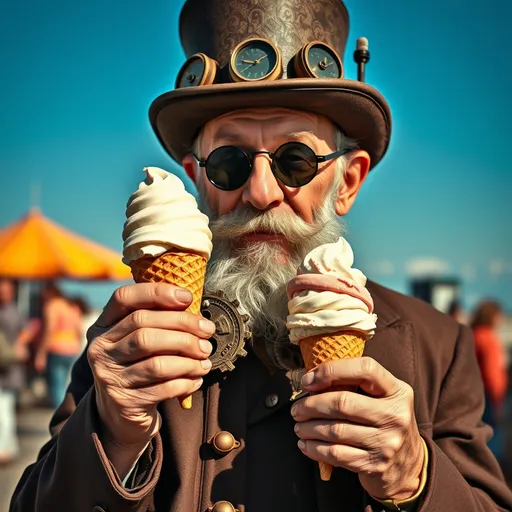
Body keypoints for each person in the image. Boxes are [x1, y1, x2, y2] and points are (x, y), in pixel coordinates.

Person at [11, 0, 512, 510]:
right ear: (196, 178)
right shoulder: (130, 339)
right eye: (230, 162)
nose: (260, 192)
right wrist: (110, 432)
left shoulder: (435, 347)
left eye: (296, 161)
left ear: (349, 182)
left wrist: (415, 478)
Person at [34, 284, 83, 409]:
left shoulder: (52, 306)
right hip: (72, 348)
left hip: (56, 348)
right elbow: (80, 330)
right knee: (68, 385)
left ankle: (61, 418)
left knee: (57, 385)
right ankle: (70, 415)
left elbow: (49, 329)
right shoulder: (71, 306)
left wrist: (41, 354)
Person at [470, 299, 508, 456]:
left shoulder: (472, 335)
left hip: (474, 394)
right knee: (493, 438)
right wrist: (498, 401)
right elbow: (492, 374)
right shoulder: (489, 339)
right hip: (488, 396)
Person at [0, 278, 25, 465]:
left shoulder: (14, 312)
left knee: (5, 410)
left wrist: (19, 344)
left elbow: (28, 329)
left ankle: (6, 449)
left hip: (9, 368)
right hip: (7, 366)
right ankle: (9, 447)